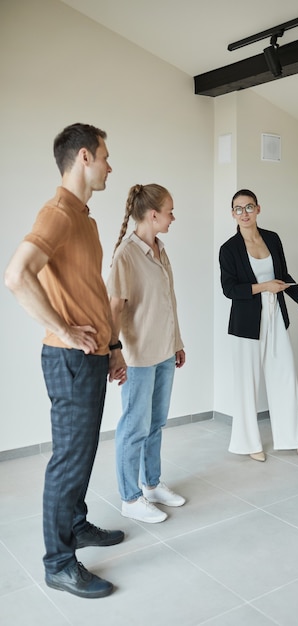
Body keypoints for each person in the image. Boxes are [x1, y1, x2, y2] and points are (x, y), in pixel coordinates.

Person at [4, 123, 128, 599]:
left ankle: (75, 525)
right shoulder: (58, 212)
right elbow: (17, 275)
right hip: (69, 358)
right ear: (83, 158)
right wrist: (63, 326)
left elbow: (92, 290)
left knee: (81, 456)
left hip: (93, 356)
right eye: (104, 156)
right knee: (68, 462)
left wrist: (112, 346)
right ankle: (58, 563)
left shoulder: (87, 219)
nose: (109, 165)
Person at [219, 189, 298, 462]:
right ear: (232, 213)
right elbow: (229, 289)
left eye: (249, 207)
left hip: (275, 315)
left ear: (258, 209)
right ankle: (249, 443)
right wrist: (264, 287)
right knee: (247, 383)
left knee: (286, 375)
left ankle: (294, 439)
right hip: (245, 324)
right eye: (238, 208)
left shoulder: (272, 238)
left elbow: (284, 276)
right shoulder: (228, 249)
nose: (244, 213)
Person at [107, 183, 186, 524]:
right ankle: (130, 497)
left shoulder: (160, 249)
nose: (173, 216)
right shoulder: (126, 255)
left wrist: (178, 342)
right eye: (169, 211)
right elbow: (114, 308)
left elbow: (168, 301)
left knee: (156, 422)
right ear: (153, 215)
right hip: (138, 357)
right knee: (133, 427)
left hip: (165, 351)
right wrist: (114, 351)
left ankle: (151, 483)